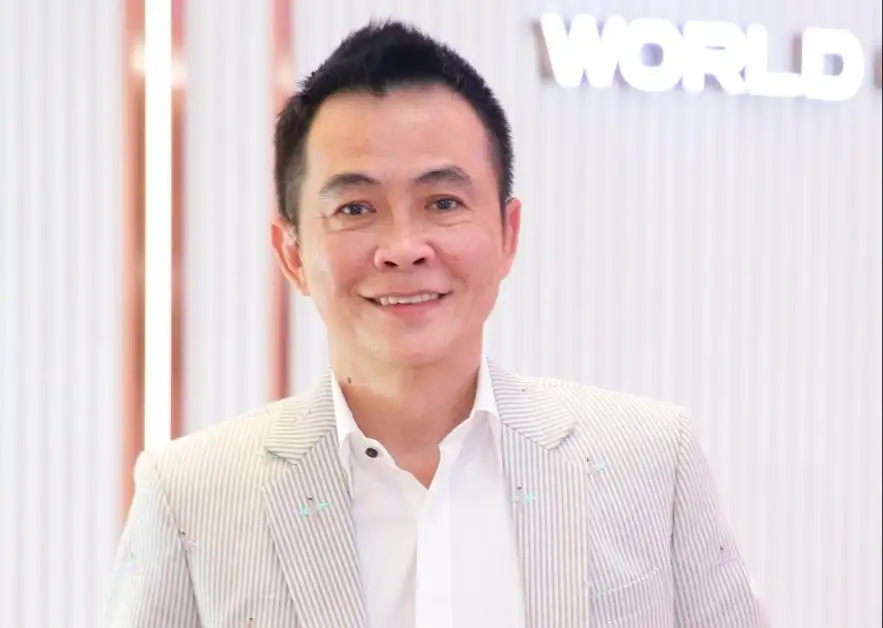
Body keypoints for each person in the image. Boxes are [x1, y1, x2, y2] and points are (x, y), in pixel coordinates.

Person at [107, 19, 770, 628]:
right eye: (355, 208)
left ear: (508, 234)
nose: (403, 248)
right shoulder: (191, 496)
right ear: (293, 254)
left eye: (443, 202)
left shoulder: (650, 460)